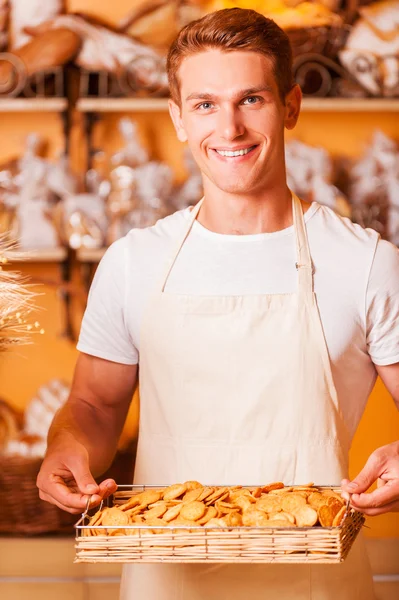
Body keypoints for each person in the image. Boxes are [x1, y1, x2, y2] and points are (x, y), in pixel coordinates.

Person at [37, 8, 399, 599]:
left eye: (250, 100)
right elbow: (95, 404)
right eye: (205, 104)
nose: (229, 128)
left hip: (318, 584)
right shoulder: (133, 261)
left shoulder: (367, 262)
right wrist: (67, 449)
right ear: (178, 118)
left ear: (291, 106)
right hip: (165, 580)